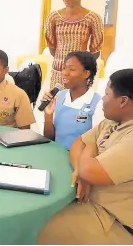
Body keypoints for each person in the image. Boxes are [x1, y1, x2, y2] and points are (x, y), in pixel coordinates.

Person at [37, 69, 133, 244]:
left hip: (112, 219)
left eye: (107, 94)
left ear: (123, 101)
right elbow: (77, 144)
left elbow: (89, 168)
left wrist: (86, 161)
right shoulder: (110, 122)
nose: (103, 99)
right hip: (86, 201)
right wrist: (81, 170)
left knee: (36, 229)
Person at [45, 0, 104, 89]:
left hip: (80, 75)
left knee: (78, 104)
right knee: (55, 104)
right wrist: (64, 65)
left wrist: (79, 68)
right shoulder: (53, 17)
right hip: (58, 73)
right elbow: (52, 47)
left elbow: (95, 51)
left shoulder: (93, 18)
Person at [42, 51, 103, 150]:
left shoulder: (97, 103)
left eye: (72, 69)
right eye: (64, 68)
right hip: (56, 156)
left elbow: (97, 145)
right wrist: (48, 116)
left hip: (79, 161)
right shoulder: (58, 96)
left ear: (86, 74)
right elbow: (49, 138)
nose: (65, 73)